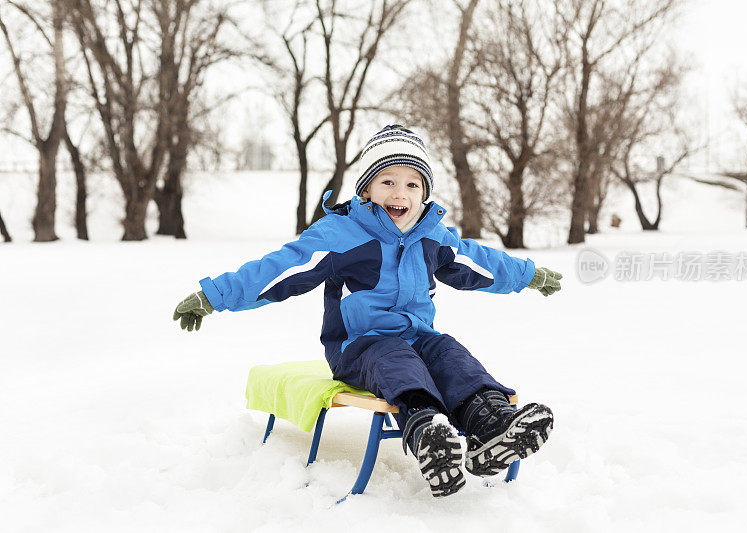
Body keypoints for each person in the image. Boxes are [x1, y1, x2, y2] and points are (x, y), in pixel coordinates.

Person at [173, 125, 562, 498]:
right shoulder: (342, 234)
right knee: (395, 358)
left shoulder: (431, 235)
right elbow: (282, 268)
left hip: (417, 338)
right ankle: (428, 431)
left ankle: (490, 425)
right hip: (359, 347)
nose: (400, 193)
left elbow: (478, 262)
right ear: (367, 188)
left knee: (449, 352)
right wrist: (215, 296)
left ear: (424, 193)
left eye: (412, 183)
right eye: (387, 181)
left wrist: (528, 275)